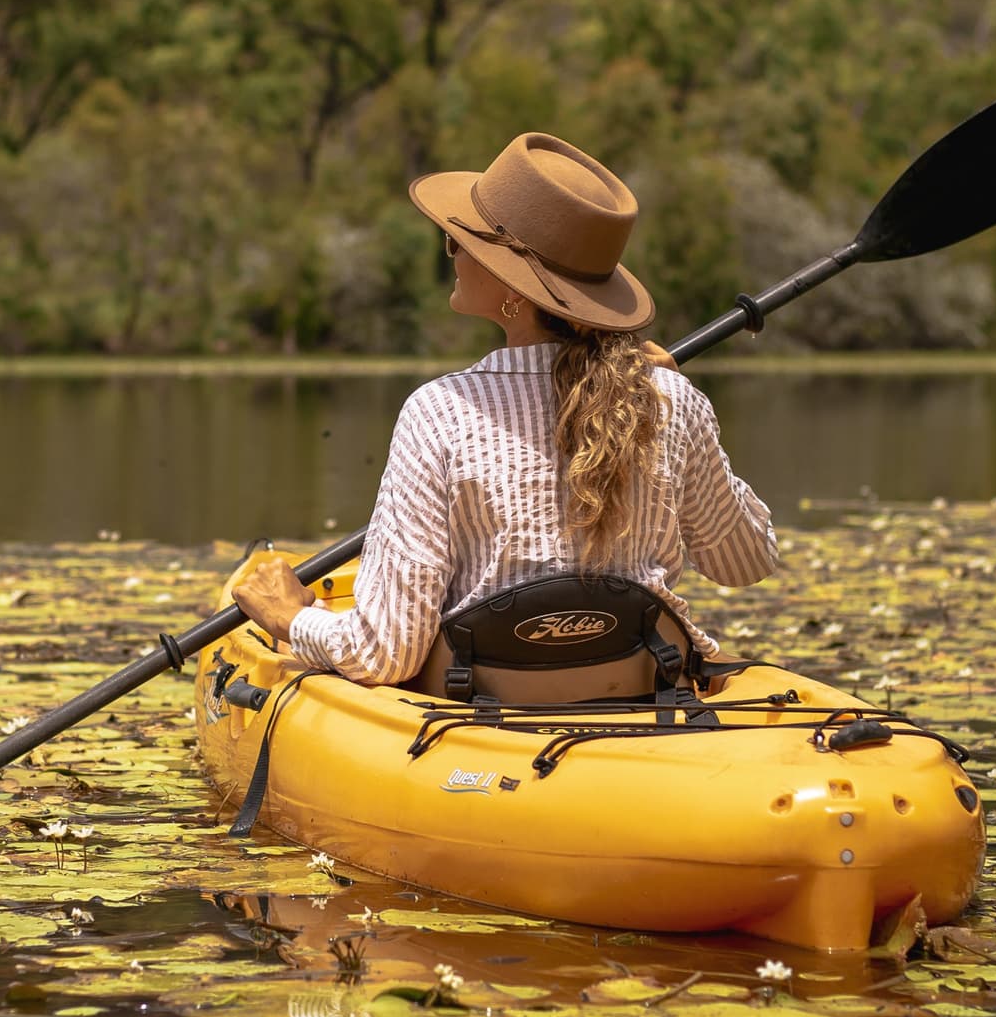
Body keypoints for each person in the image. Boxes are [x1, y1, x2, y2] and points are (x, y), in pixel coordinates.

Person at [230, 131, 777, 686]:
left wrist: (292, 618)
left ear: (509, 283)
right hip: (644, 696)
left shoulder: (437, 412)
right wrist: (680, 406)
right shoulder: (672, 401)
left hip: (487, 719)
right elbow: (745, 562)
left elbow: (385, 653)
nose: (451, 255)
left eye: (457, 243)